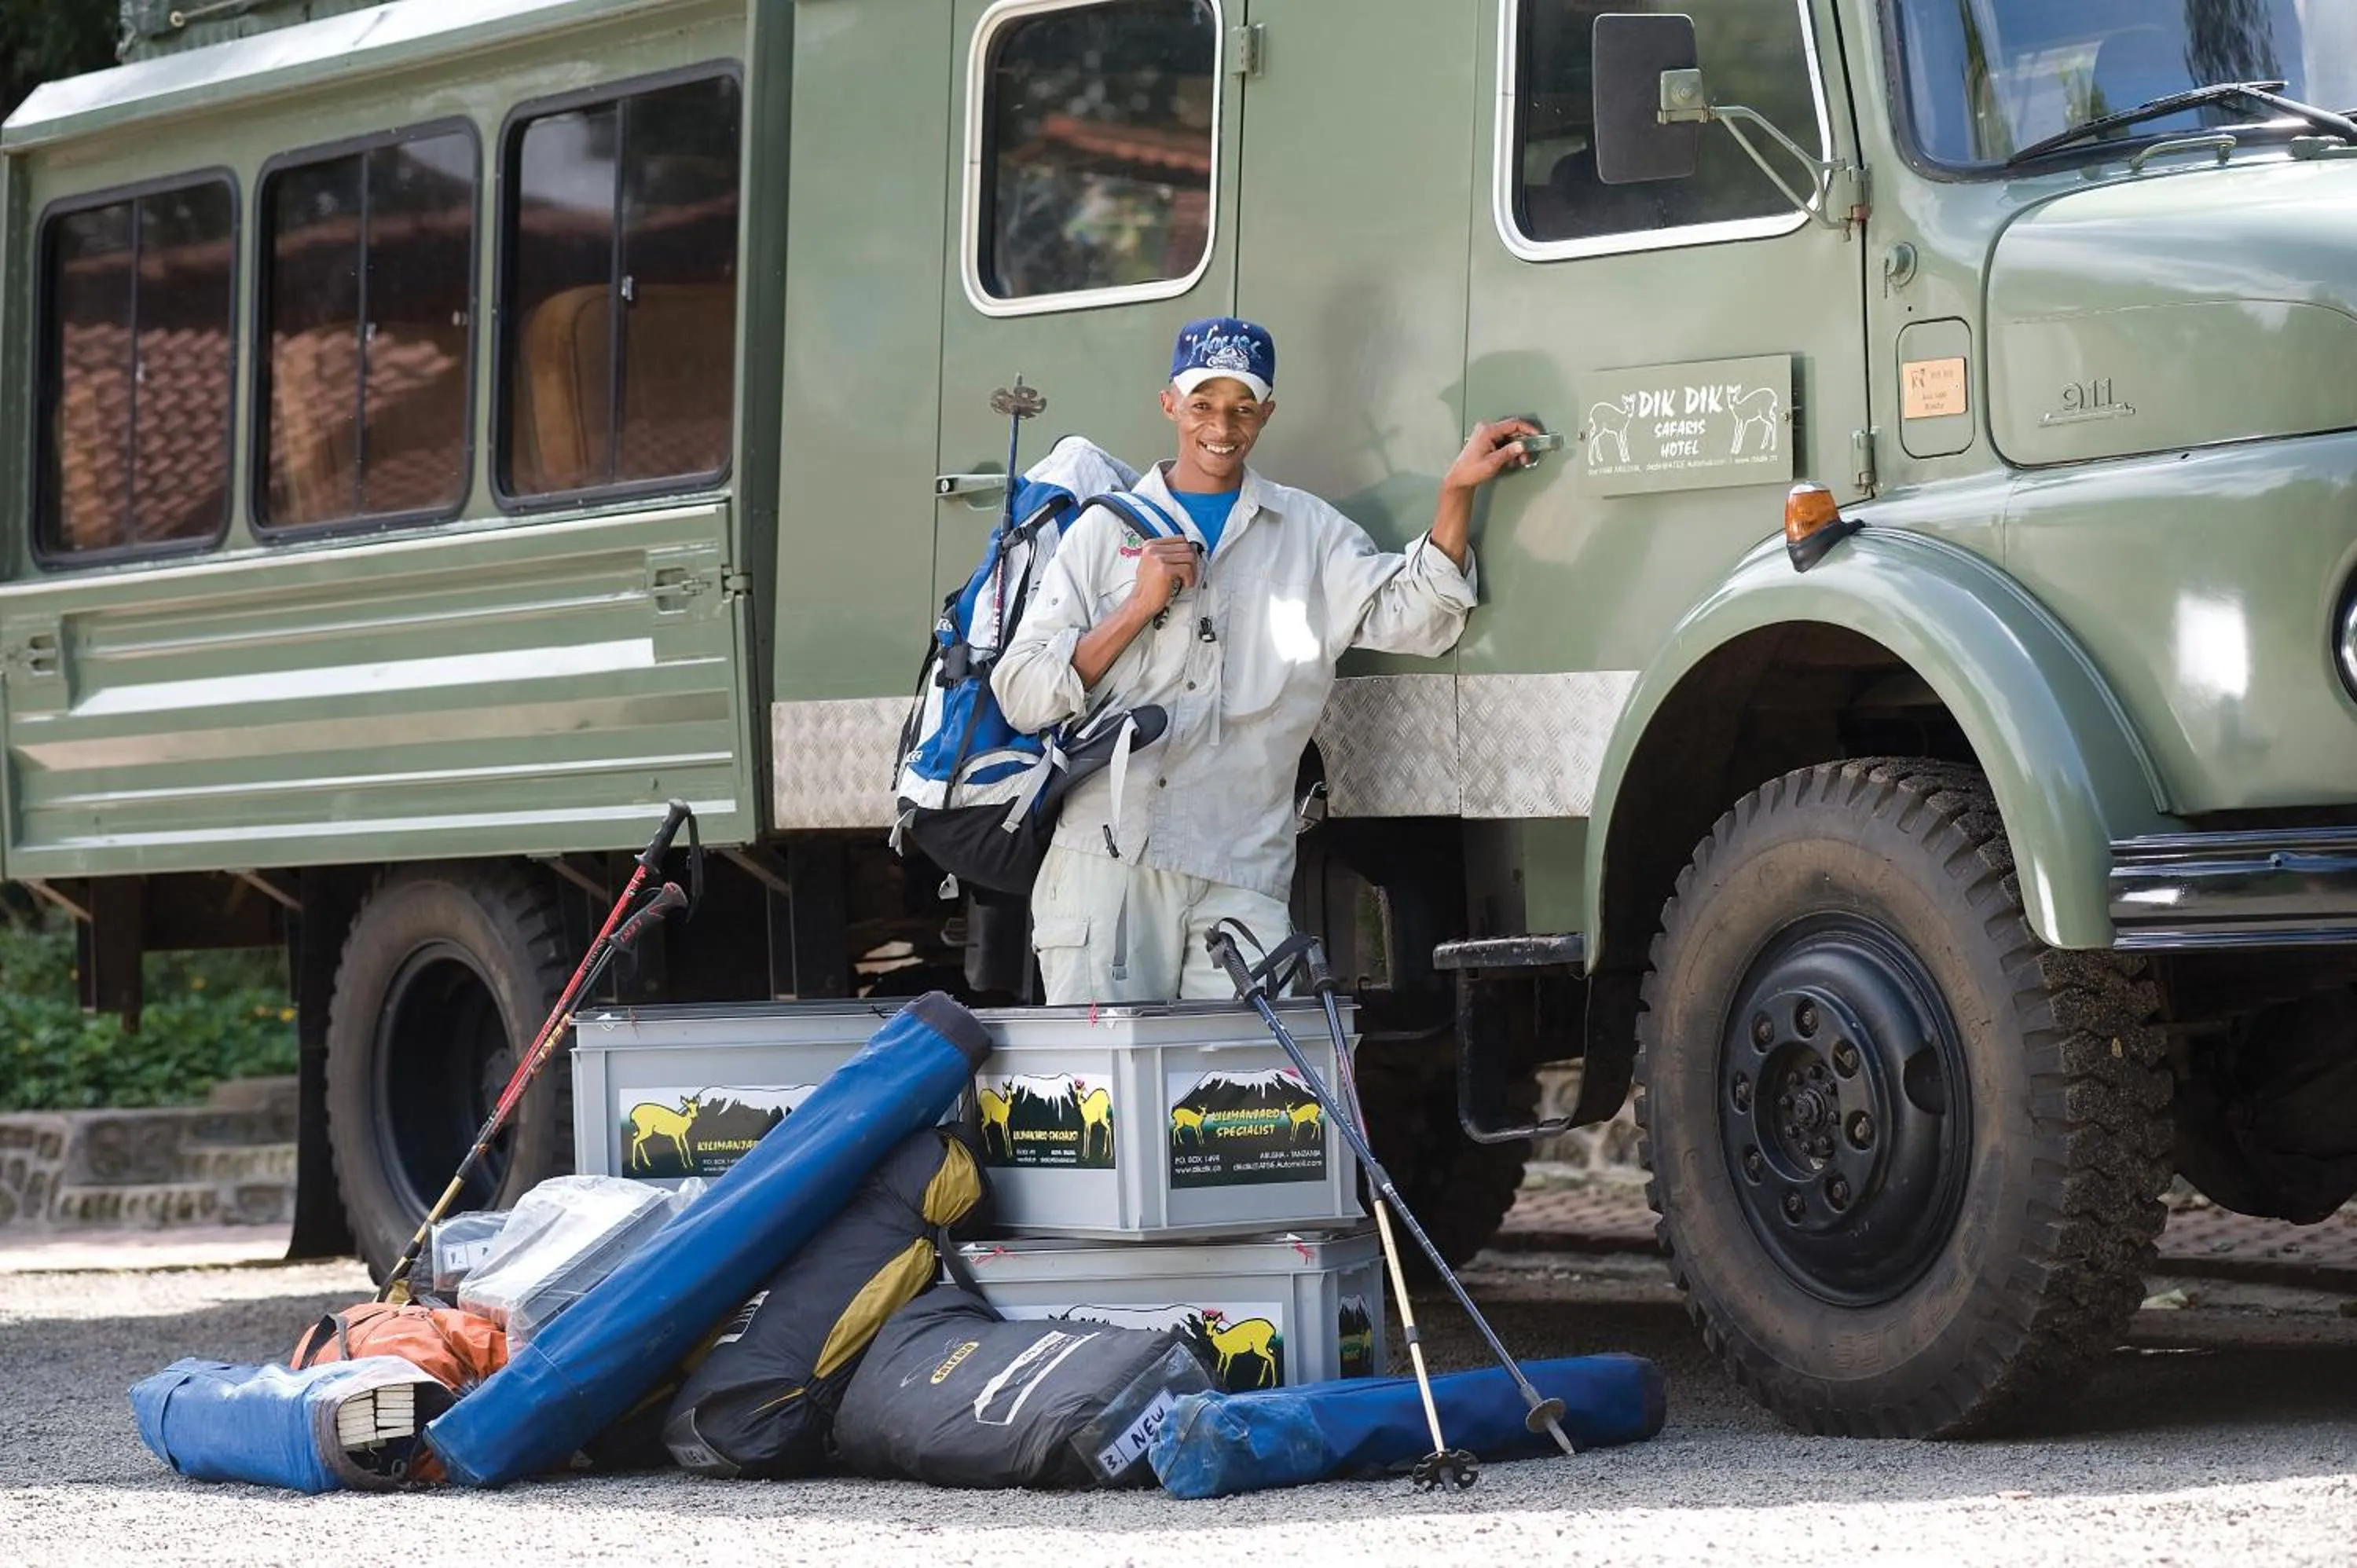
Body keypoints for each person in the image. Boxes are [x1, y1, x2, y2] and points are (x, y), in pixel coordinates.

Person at [992, 317, 1538, 1005]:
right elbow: (1023, 692)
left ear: (1266, 414)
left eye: (1242, 408)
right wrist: (1135, 608)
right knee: (1113, 1099)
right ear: (1170, 406)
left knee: (1237, 1106)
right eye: (1203, 405)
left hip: (1242, 872)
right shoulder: (1105, 531)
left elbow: (1423, 615)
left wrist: (1456, 492)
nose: (1222, 426)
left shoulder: (1306, 532)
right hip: (1110, 868)